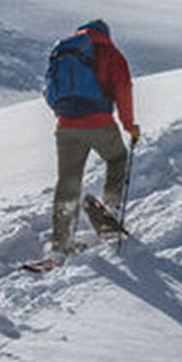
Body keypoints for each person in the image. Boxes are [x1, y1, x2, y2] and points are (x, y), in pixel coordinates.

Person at [46, 19, 138, 255]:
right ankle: (110, 209)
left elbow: (49, 91)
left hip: (65, 126)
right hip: (99, 122)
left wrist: (65, 114)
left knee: (68, 180)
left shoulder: (64, 50)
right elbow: (123, 88)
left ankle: (62, 241)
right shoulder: (109, 52)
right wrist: (129, 125)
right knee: (117, 157)